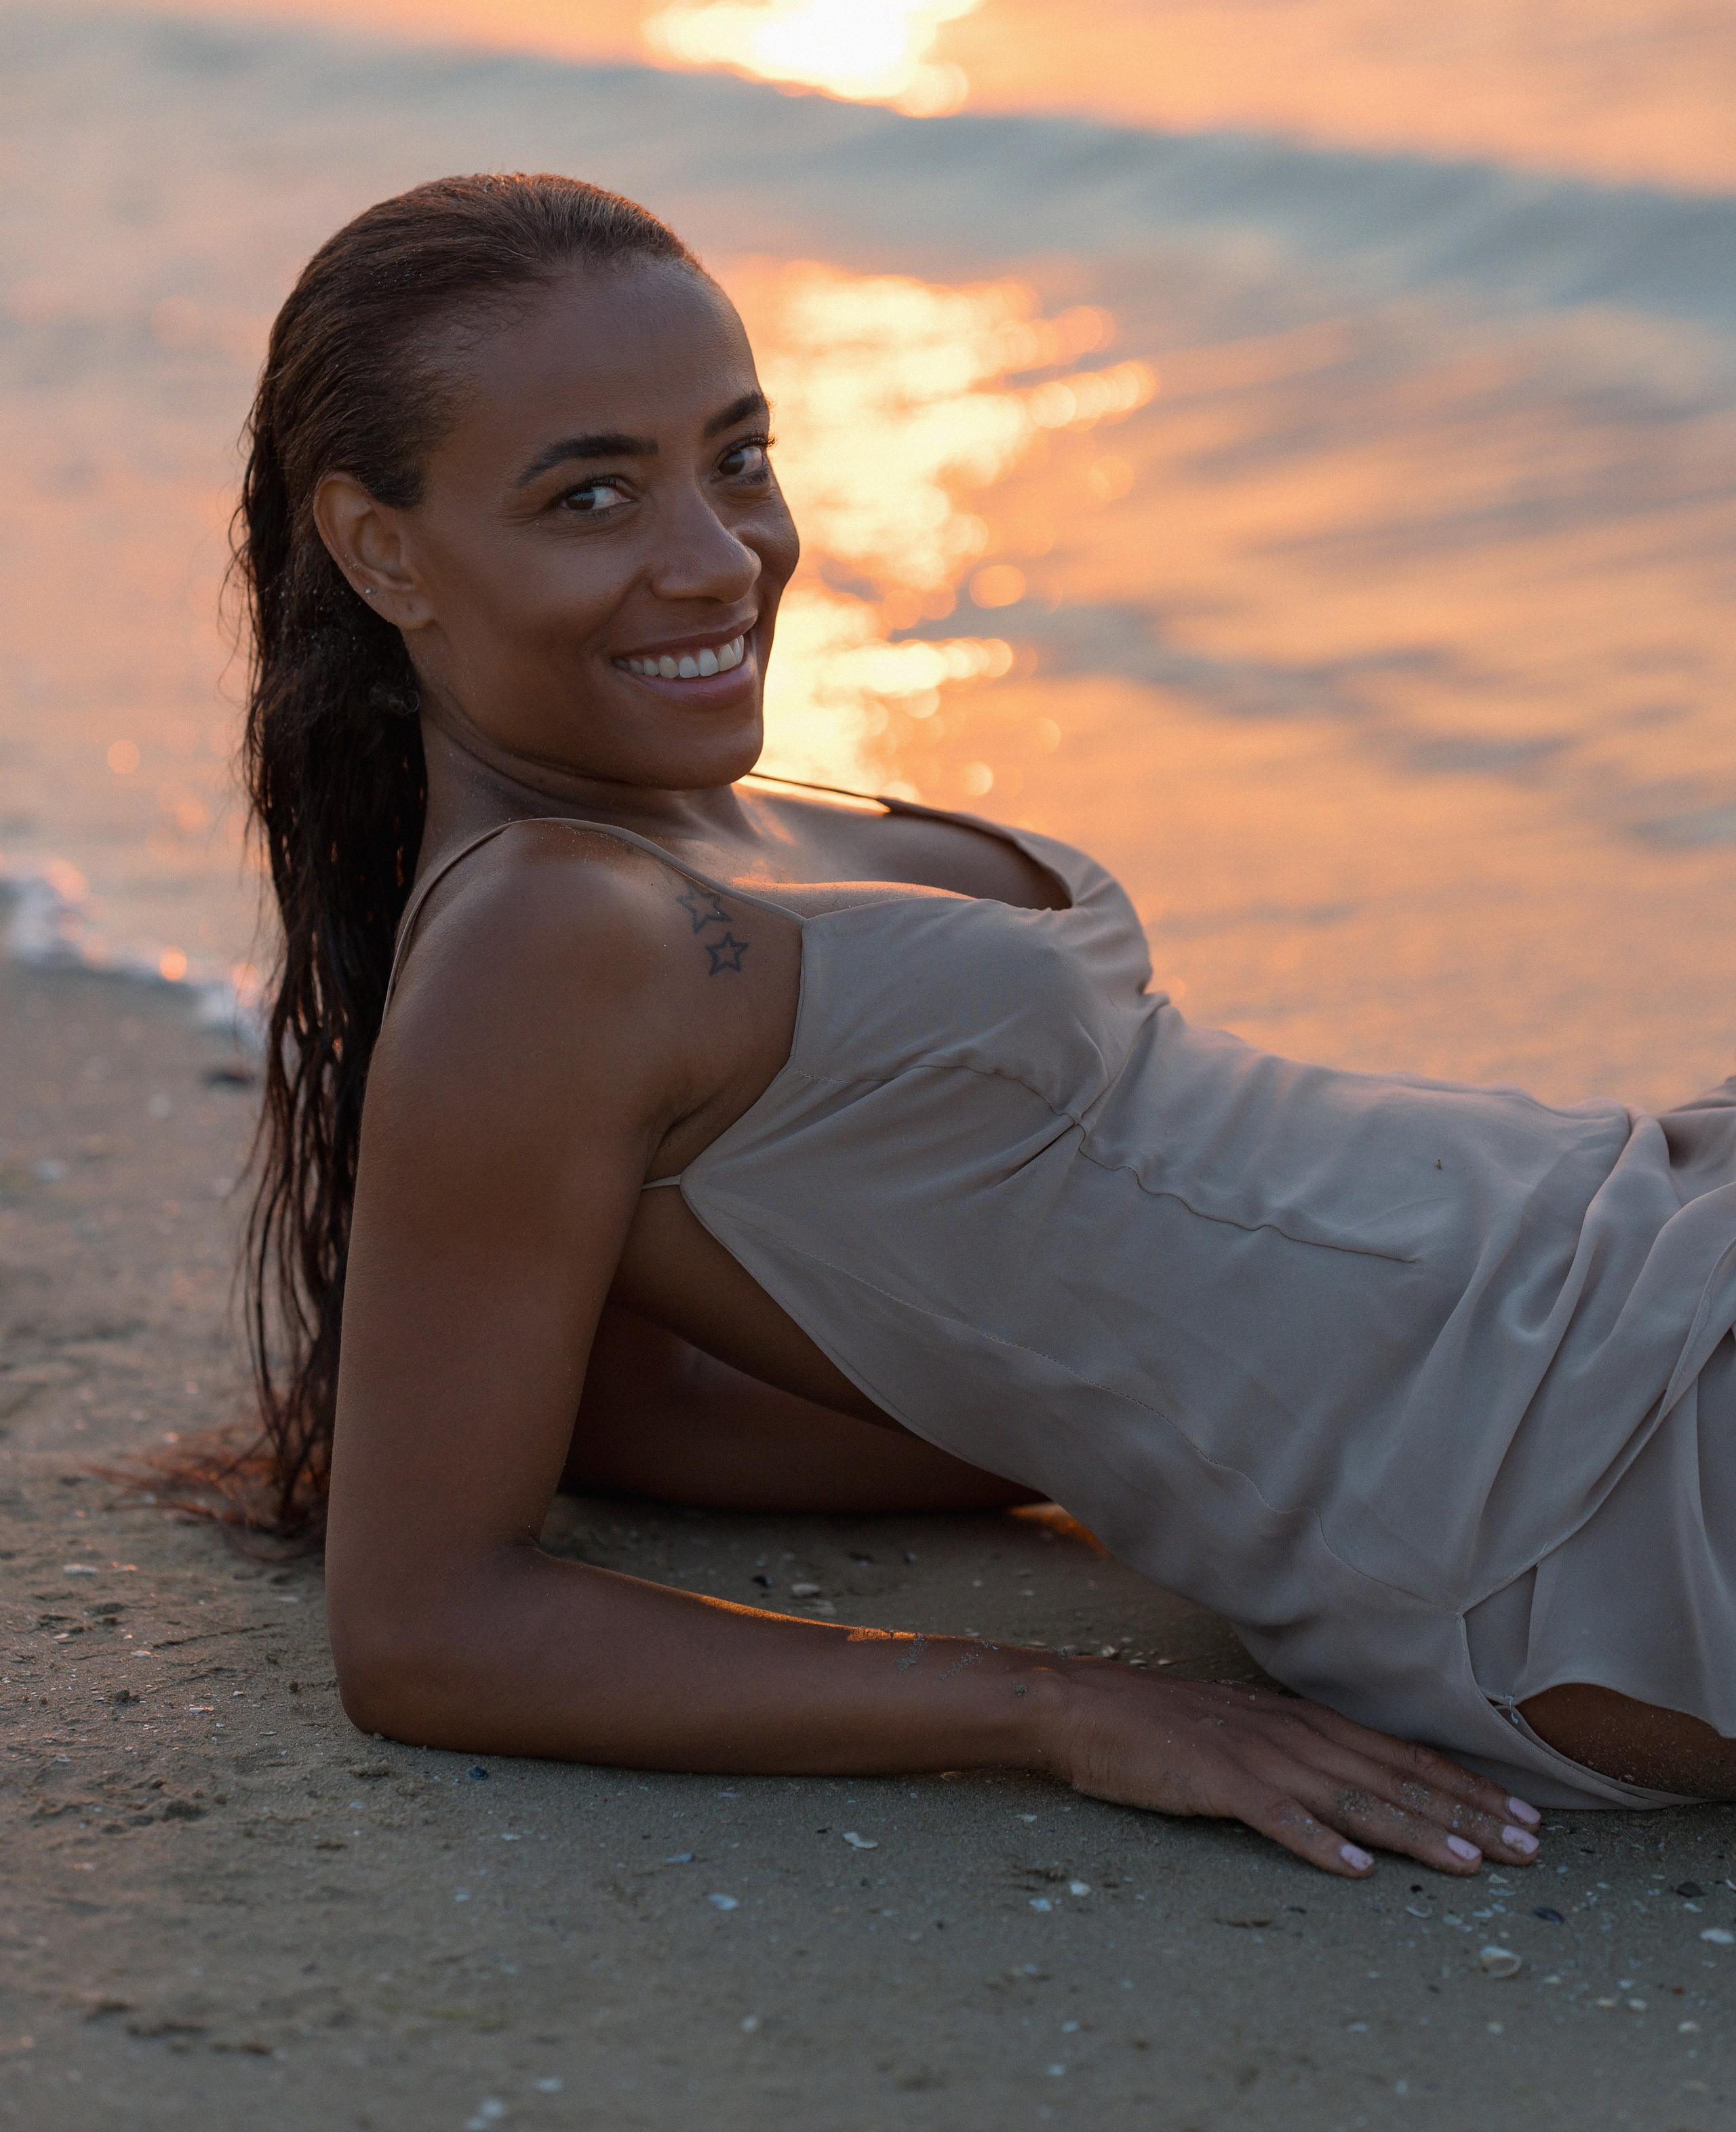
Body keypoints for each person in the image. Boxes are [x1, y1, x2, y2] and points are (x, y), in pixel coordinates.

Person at [235, 172, 1736, 1884]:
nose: (718, 560)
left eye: (738, 457)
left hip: (1631, 1243)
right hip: (1570, 1485)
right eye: (590, 495)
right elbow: (429, 1630)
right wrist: (1059, 1705)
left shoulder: (701, 823)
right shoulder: (540, 938)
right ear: (380, 550)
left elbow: (656, 1418)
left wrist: (1131, 1435)